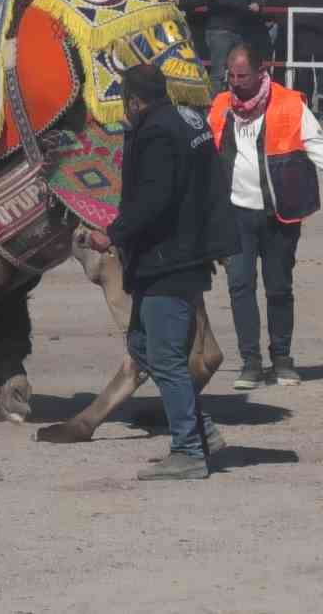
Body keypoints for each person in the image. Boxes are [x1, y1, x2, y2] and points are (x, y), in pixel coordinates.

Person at [81, 65, 234, 481]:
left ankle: (187, 452)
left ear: (133, 100)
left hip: (170, 259)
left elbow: (154, 200)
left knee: (165, 357)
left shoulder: (156, 132)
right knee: (143, 345)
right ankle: (203, 433)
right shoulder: (189, 120)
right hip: (184, 251)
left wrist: (110, 234)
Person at [211, 45, 323, 390]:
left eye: (241, 75)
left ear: (262, 71)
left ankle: (282, 359)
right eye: (231, 74)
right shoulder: (219, 106)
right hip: (235, 213)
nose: (235, 81)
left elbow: (317, 143)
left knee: (278, 288)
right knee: (240, 287)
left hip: (280, 214)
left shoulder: (289, 104)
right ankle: (250, 363)